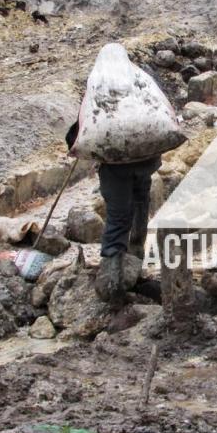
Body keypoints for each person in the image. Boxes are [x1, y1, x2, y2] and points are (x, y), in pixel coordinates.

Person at [65, 122, 161, 311]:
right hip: (146, 160)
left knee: (118, 219)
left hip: (116, 166)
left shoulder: (102, 97)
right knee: (140, 207)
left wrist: (78, 146)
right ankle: (135, 265)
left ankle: (114, 285)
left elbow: (76, 136)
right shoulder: (142, 95)